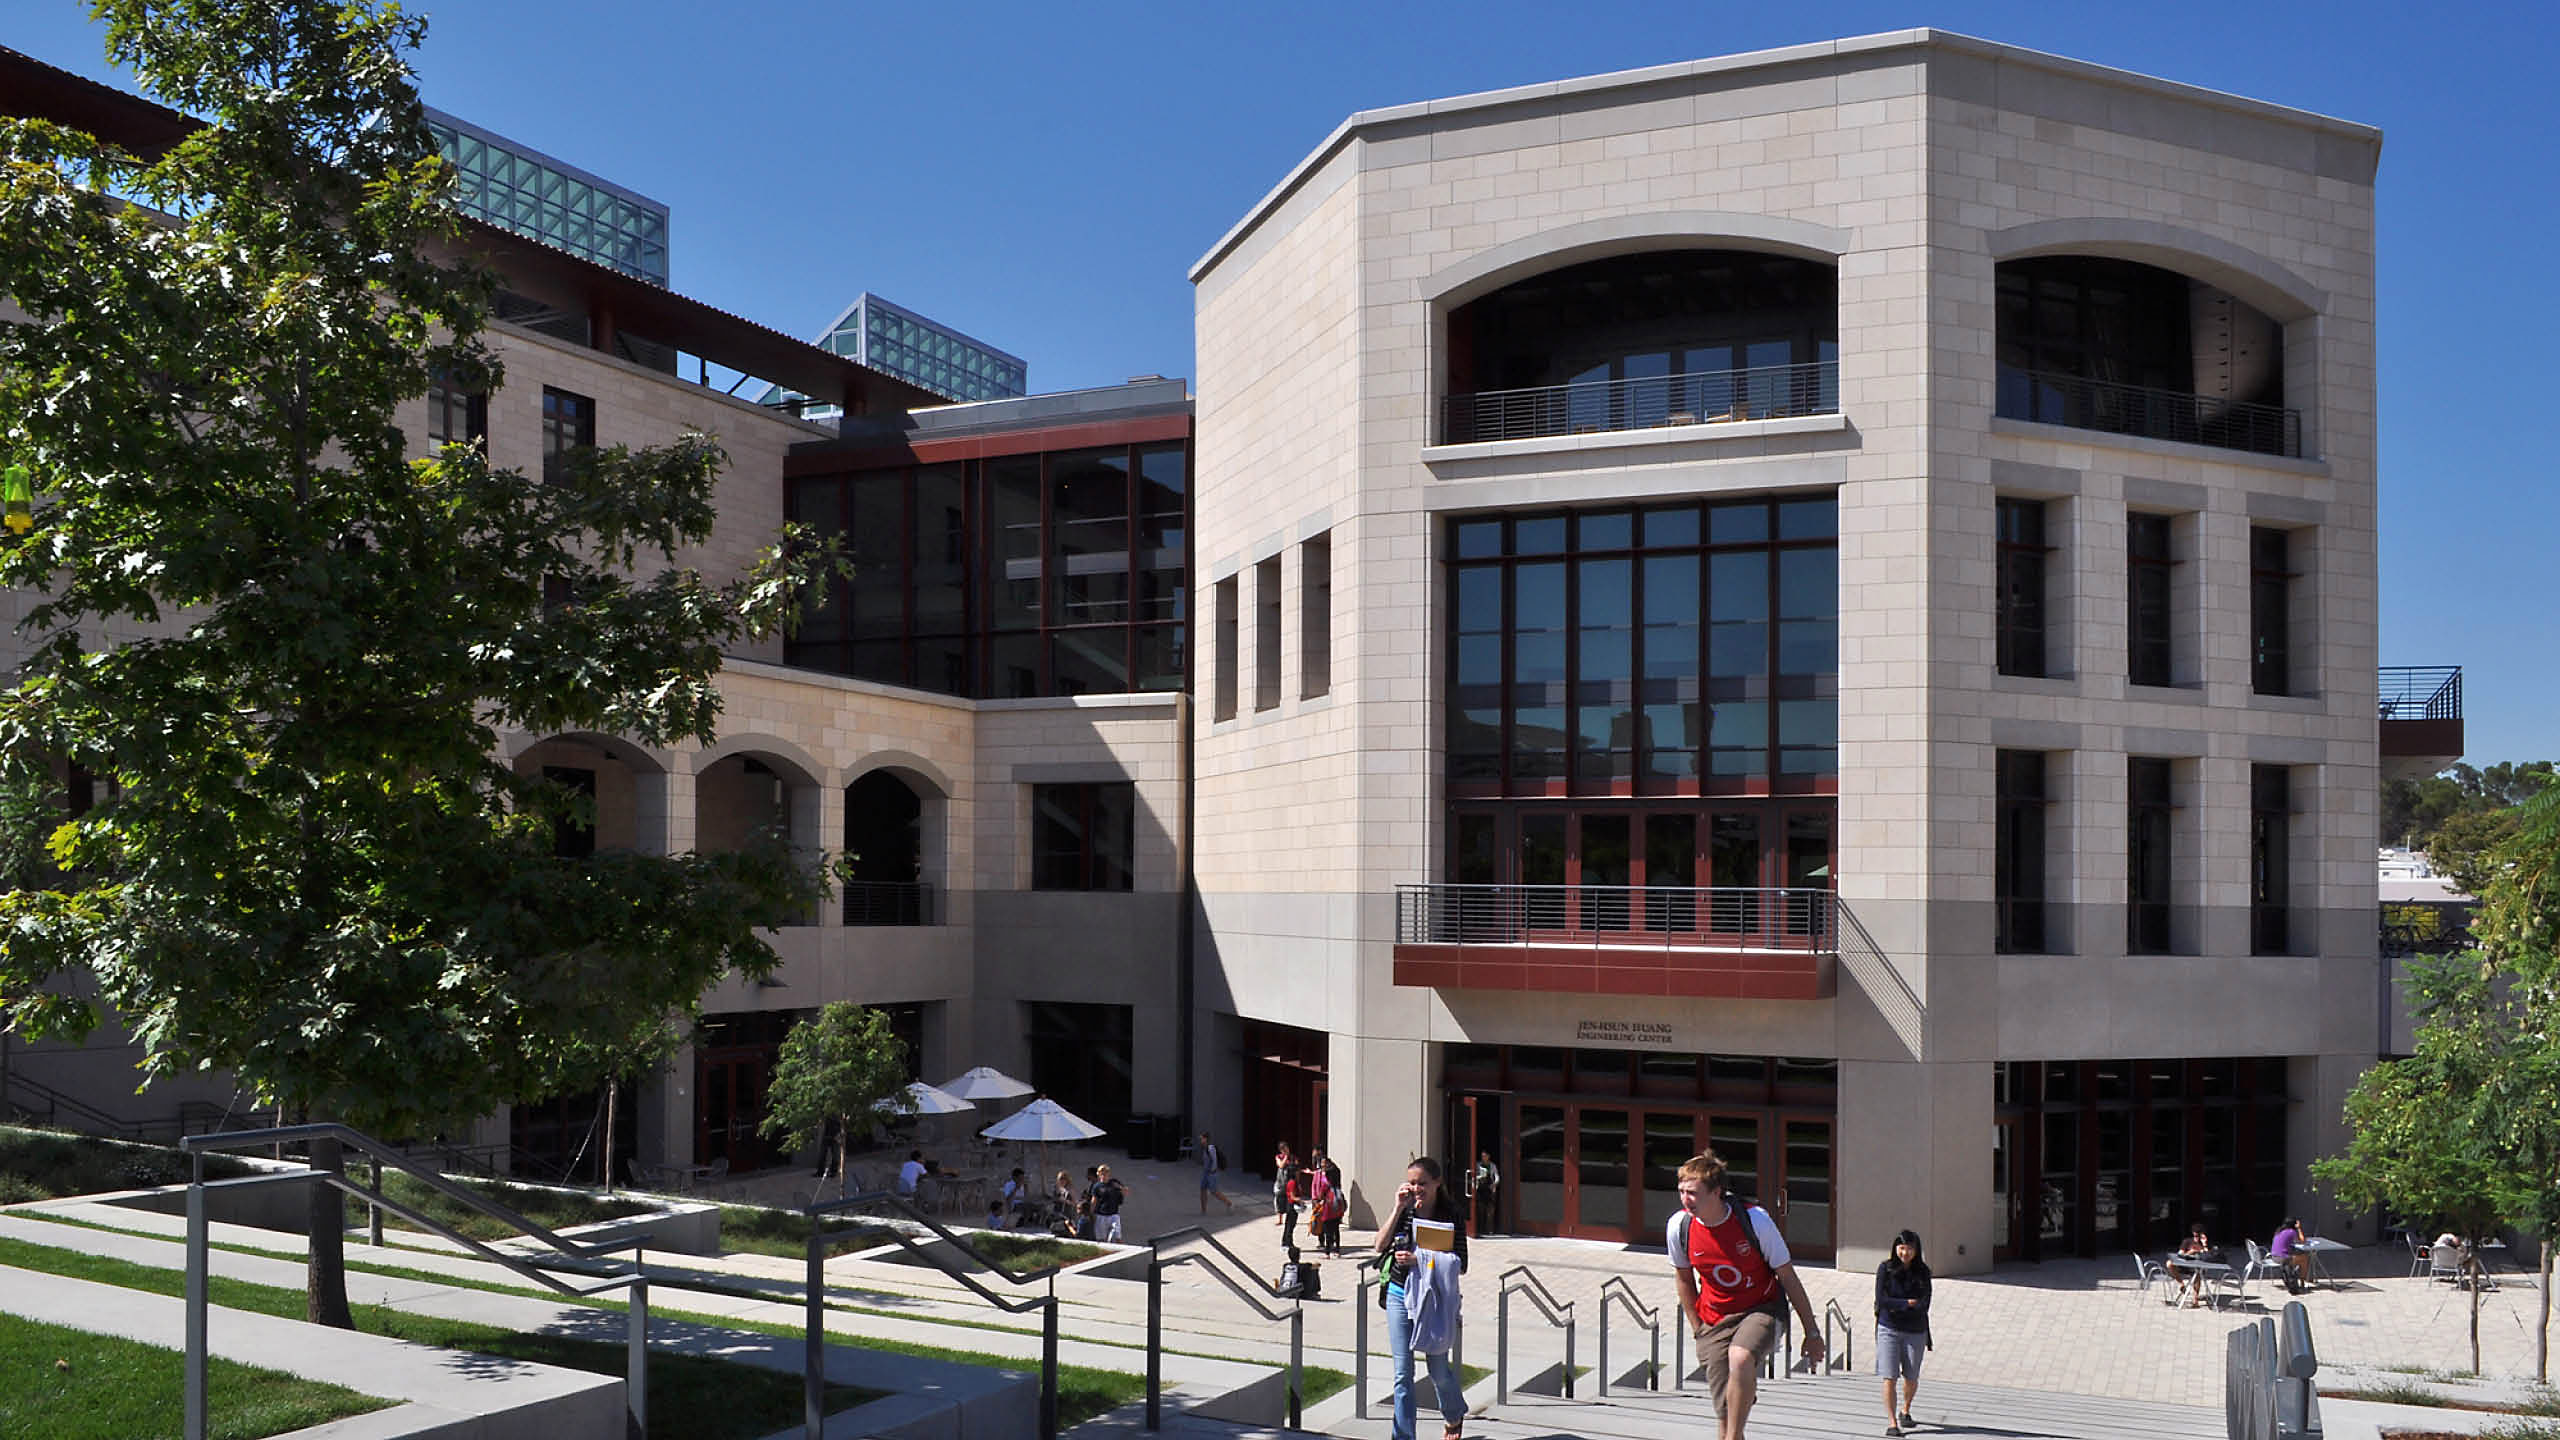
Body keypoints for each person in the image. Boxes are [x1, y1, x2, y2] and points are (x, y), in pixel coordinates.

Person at [1668, 1150, 1823, 1440]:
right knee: (1725, 1417)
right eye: (1681, 1191)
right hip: (1714, 1317)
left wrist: (1812, 1332)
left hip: (1762, 1307)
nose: (1685, 1199)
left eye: (1692, 1192)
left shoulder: (1754, 1221)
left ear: (1716, 1192)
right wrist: (1697, 1327)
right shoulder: (1680, 1226)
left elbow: (1787, 1276)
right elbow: (1684, 1278)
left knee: (1740, 1358)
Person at [1374, 1157, 1469, 1440]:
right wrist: (1397, 1207)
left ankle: (1453, 1413)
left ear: (1437, 1183)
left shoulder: (1451, 1214)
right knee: (1403, 1374)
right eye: (1411, 1182)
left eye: (1422, 1183)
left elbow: (1461, 1263)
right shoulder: (1405, 1211)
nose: (1416, 1188)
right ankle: (1403, 1436)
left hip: (1433, 1299)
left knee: (1437, 1369)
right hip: (1399, 1293)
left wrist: (1421, 1258)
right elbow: (1379, 1245)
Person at [1875, 1229, 1932, 1437]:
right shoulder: (1885, 1269)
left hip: (1915, 1330)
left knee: (1911, 1377)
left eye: (1909, 1248)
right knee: (1889, 1376)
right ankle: (1892, 1423)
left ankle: (1905, 1409)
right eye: (1901, 1248)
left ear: (1916, 1250)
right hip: (1888, 1328)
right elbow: (1881, 1301)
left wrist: (1898, 1305)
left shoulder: (1923, 1272)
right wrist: (1906, 1303)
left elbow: (1924, 1304)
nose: (1904, 1252)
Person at [2169, 1222, 2219, 1308]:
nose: (2196, 1238)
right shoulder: (2187, 1241)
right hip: (2185, 1265)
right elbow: (2180, 1254)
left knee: (2197, 1272)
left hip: (2197, 1267)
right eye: (2195, 1236)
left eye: (2198, 1236)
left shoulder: (2206, 1243)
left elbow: (2210, 1257)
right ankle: (2182, 1284)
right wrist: (2190, 1252)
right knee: (2169, 1263)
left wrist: (2204, 1245)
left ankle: (2195, 1300)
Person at [1308, 1160, 1341, 1259]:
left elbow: (1320, 1195)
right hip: (1337, 1210)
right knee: (1336, 1229)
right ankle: (1337, 1250)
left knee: (1327, 1231)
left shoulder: (1325, 1185)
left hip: (1327, 1210)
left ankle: (1327, 1252)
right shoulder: (1337, 1186)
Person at [2269, 1218, 2311, 1294]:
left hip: (2274, 1256)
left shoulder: (2279, 1231)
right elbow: (2302, 1241)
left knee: (2300, 1256)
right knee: (2304, 1258)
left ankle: (2301, 1281)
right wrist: (2299, 1228)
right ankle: (2302, 1282)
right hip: (2283, 1259)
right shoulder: (2292, 1232)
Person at [1198, 1131, 1234, 1214]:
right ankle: (1203, 1210)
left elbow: (1214, 1160)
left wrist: (1212, 1171)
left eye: (1201, 1138)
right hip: (1206, 1173)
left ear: (1205, 1139)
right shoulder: (1204, 1148)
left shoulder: (1210, 1148)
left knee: (1214, 1191)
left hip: (1211, 1173)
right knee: (1202, 1189)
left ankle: (1229, 1204)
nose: (1200, 1140)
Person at [1091, 1163, 1128, 1243]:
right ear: (1099, 1174)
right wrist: (1092, 1214)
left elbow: (1124, 1191)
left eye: (1106, 1173)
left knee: (1117, 1236)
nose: (1104, 1175)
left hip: (1113, 1214)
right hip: (1101, 1215)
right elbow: (1094, 1201)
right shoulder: (1097, 1186)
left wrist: (1123, 1190)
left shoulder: (1114, 1183)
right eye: (1102, 1173)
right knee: (1101, 1239)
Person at [1467, 1150, 1500, 1237]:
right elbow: (1474, 1176)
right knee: (1480, 1210)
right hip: (1481, 1190)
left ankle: (1490, 1230)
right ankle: (1480, 1229)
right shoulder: (1478, 1165)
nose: (1483, 1158)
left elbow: (1497, 1177)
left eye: (1485, 1156)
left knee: (1490, 1211)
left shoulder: (1492, 1166)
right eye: (1482, 1156)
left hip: (1490, 1190)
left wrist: (1494, 1184)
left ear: (1489, 1156)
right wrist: (1478, 1179)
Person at [1273, 1140, 1297, 1227]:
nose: (1287, 1150)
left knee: (1290, 1200)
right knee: (1279, 1199)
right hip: (1281, 1183)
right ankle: (1280, 1219)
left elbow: (1296, 1168)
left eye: (1287, 1148)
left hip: (1290, 1182)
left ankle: (1289, 1218)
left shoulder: (1293, 1157)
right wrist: (1286, 1157)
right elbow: (1281, 1165)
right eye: (1284, 1149)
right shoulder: (1278, 1157)